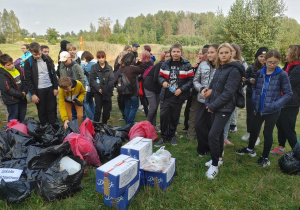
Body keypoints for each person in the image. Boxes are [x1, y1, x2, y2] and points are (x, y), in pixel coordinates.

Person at [236, 50, 292, 167]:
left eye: (275, 63)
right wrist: (255, 102)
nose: (272, 65)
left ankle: (265, 157)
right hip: (259, 108)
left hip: (273, 110)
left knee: (267, 132)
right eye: (270, 62)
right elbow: (256, 88)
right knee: (254, 129)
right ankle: (250, 149)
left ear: (279, 61)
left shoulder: (282, 75)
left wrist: (276, 105)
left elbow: (288, 94)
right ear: (265, 60)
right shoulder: (260, 72)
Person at [203, 43, 244, 179]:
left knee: (212, 135)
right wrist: (208, 101)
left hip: (225, 107)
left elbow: (228, 93)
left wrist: (212, 106)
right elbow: (212, 86)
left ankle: (214, 165)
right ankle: (218, 158)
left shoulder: (234, 70)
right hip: (215, 105)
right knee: (218, 135)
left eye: (226, 52)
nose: (224, 55)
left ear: (231, 54)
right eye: (221, 53)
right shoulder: (220, 68)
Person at [155, 43, 194, 147]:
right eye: (174, 51)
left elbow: (191, 80)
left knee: (174, 117)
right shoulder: (165, 64)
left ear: (181, 52)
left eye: (178, 51)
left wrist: (181, 89)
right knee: (163, 116)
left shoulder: (187, 64)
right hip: (166, 95)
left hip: (178, 96)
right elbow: (160, 77)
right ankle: (163, 137)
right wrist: (162, 82)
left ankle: (172, 136)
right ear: (171, 52)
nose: (176, 53)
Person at [271, 45, 300, 154]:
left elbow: (287, 83)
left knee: (288, 128)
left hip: (291, 102)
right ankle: (281, 147)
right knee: (280, 124)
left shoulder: (298, 68)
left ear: (294, 54)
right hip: (282, 100)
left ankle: (297, 153)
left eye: (288, 52)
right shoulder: (288, 66)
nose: (286, 54)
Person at [24, 42, 58, 126]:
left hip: (49, 87)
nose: (38, 56)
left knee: (52, 108)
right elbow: (27, 79)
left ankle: (53, 126)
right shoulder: (28, 62)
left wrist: (55, 87)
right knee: (42, 110)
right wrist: (33, 94)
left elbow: (53, 73)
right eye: (35, 55)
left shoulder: (48, 59)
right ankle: (44, 127)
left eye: (39, 53)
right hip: (38, 90)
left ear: (40, 50)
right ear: (31, 53)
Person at [193, 44, 218, 156]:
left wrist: (212, 91)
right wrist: (202, 89)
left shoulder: (222, 67)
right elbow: (195, 80)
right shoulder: (202, 64)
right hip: (202, 100)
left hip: (216, 102)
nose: (209, 54)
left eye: (212, 52)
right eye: (208, 52)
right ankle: (202, 147)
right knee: (199, 125)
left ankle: (212, 148)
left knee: (212, 126)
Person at [241, 47, 268, 142]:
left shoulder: (269, 68)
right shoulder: (251, 67)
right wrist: (249, 80)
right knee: (250, 115)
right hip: (250, 94)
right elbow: (244, 80)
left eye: (265, 56)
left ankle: (256, 136)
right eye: (261, 56)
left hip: (262, 96)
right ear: (257, 57)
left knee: (258, 116)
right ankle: (249, 132)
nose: (263, 58)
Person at [222, 44, 246, 146]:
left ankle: (224, 138)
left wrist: (242, 82)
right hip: (223, 95)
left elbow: (244, 77)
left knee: (228, 118)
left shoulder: (240, 63)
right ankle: (220, 138)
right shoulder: (223, 63)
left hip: (232, 96)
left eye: (231, 51)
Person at [185, 46, 208, 141]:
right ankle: (191, 134)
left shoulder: (209, 65)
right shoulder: (196, 65)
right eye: (198, 54)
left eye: (201, 54)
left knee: (201, 115)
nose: (199, 55)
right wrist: (193, 67)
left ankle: (201, 134)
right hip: (195, 93)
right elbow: (189, 78)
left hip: (205, 94)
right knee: (192, 113)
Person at [144, 50, 170, 128]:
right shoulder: (160, 65)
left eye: (170, 56)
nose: (168, 58)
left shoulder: (170, 67)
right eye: (167, 56)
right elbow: (156, 78)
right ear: (164, 57)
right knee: (153, 107)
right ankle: (147, 125)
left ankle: (153, 126)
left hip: (157, 89)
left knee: (155, 108)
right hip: (149, 87)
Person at [120, 53, 146, 126]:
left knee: (127, 107)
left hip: (125, 91)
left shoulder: (122, 68)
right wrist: (140, 62)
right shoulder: (132, 68)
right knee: (134, 107)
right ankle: (129, 123)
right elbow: (142, 70)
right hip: (133, 92)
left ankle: (127, 124)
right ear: (132, 60)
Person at [0, 54, 27, 122]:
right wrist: (21, 94)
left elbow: (23, 80)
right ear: (3, 65)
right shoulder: (2, 74)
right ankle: (13, 131)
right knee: (13, 118)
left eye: (12, 63)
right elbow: (7, 89)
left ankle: (21, 131)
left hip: (22, 98)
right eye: (8, 65)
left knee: (22, 117)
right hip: (12, 100)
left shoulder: (18, 68)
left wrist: (25, 91)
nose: (11, 66)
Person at [89, 51, 114, 124]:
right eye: (99, 58)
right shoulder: (94, 67)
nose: (101, 59)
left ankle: (104, 125)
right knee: (98, 110)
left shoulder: (109, 68)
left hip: (107, 91)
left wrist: (105, 89)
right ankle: (95, 126)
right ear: (97, 59)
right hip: (98, 92)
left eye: (102, 57)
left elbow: (112, 80)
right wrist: (98, 88)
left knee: (106, 111)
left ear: (105, 58)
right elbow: (92, 79)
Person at [81, 51, 96, 120]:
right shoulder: (95, 63)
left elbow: (81, 70)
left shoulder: (88, 65)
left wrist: (82, 62)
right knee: (91, 101)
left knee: (85, 102)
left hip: (87, 86)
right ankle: (94, 115)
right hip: (92, 86)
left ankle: (91, 117)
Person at [114, 51, 129, 121]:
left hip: (125, 87)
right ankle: (124, 115)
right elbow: (115, 74)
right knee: (120, 103)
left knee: (125, 103)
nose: (119, 58)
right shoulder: (118, 66)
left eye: (121, 57)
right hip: (119, 87)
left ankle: (127, 117)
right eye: (119, 56)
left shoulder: (127, 67)